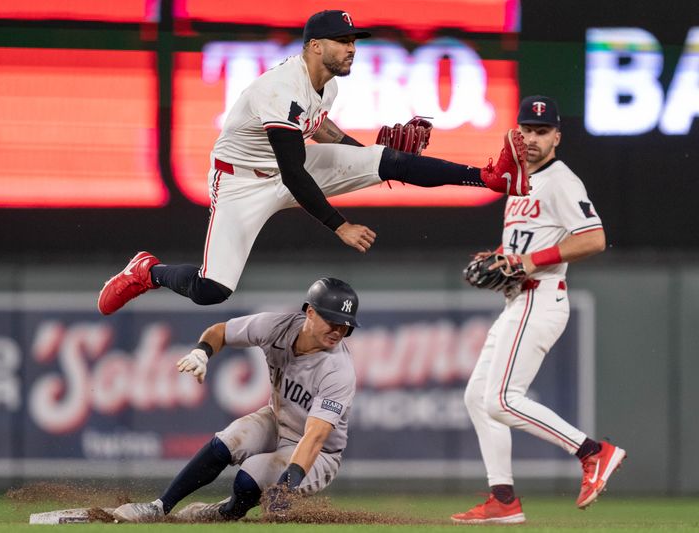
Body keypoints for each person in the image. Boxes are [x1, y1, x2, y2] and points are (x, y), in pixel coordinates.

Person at [97, 9, 529, 315]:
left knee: (389, 161)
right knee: (212, 290)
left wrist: (364, 156)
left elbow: (320, 129)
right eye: (342, 41)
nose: (351, 49)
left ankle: (488, 177)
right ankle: (147, 272)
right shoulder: (280, 86)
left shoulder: (328, 87)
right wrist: (340, 225)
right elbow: (292, 171)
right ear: (314, 46)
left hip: (292, 167)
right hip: (241, 183)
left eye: (353, 41)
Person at [451, 95, 626, 525]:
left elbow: (594, 238)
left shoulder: (560, 180)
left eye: (541, 131)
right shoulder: (519, 180)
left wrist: (525, 263)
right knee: (478, 398)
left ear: (557, 138)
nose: (531, 138)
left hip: (541, 295)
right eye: (526, 129)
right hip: (519, 299)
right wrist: (499, 257)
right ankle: (503, 499)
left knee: (502, 400)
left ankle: (593, 453)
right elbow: (521, 247)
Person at [111, 277, 361, 523]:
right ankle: (158, 507)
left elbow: (315, 436)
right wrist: (202, 352)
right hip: (277, 420)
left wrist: (286, 486)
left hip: (320, 454)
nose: (338, 330)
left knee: (248, 478)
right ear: (310, 312)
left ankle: (226, 512)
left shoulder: (338, 369)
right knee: (227, 441)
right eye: (332, 320)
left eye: (346, 325)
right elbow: (220, 332)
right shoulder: (277, 327)